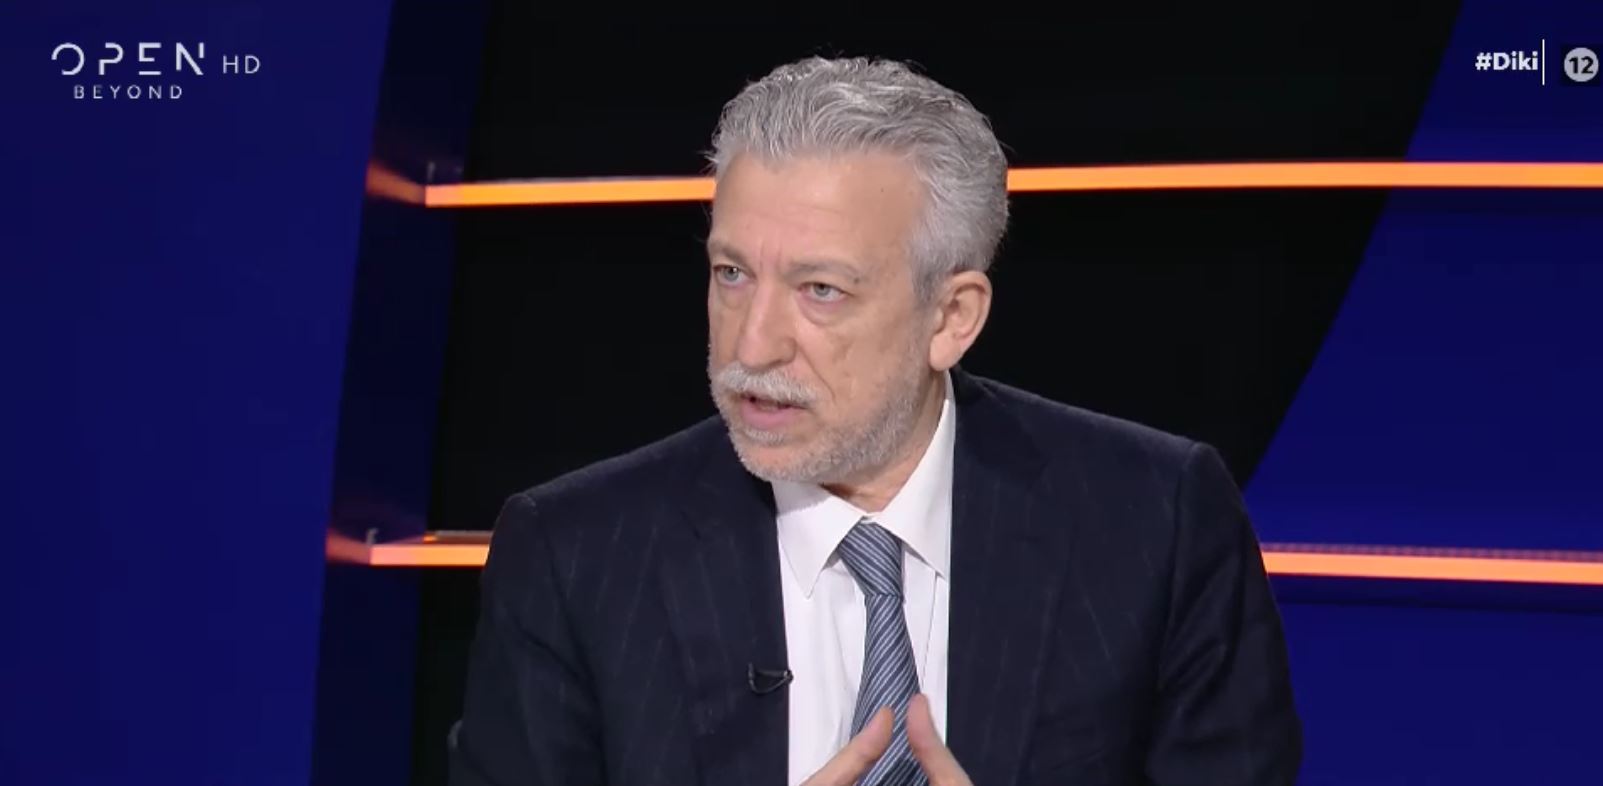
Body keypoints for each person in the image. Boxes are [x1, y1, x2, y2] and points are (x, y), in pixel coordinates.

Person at [449, 55, 1302, 786]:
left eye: (820, 290)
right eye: (731, 274)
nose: (752, 343)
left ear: (951, 318)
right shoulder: (573, 555)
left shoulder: (1153, 523)